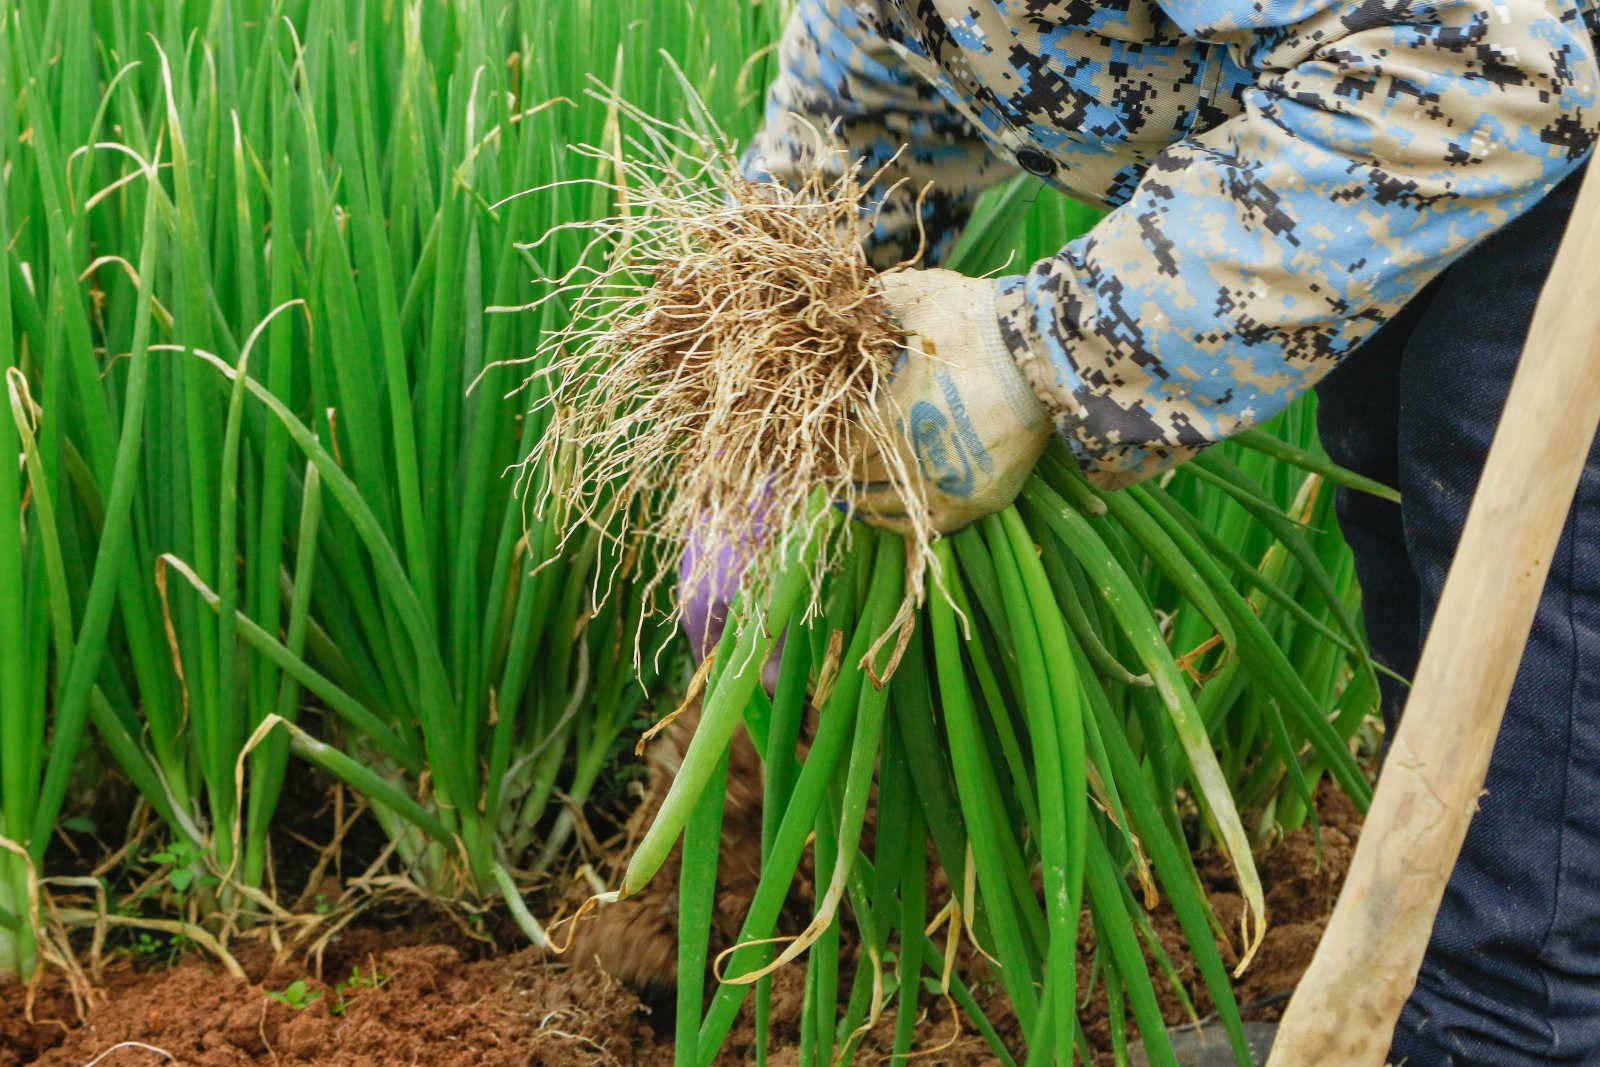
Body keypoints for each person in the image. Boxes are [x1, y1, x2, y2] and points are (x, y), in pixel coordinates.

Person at [684, 0, 1600, 1062]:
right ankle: (1449, 1010)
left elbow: (1483, 58)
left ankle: (1521, 1034)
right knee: (1414, 520)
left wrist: (1042, 353)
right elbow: (867, 96)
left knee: (1529, 588)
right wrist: (754, 388)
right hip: (1420, 143)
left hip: (1526, 127)